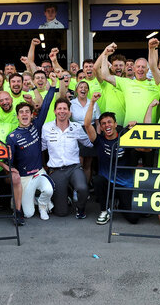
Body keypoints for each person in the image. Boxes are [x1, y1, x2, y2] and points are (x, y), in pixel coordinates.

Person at [83, 93, 138, 225]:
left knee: (134, 219)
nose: (107, 125)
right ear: (101, 127)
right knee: (98, 180)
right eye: (103, 124)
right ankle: (104, 210)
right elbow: (87, 125)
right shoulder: (99, 140)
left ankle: (119, 201)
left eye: (109, 122)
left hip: (125, 184)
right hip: (107, 183)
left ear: (115, 124)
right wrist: (92, 103)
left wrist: (136, 129)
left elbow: (145, 149)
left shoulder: (126, 137)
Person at [6, 85, 57, 222]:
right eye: (21, 112)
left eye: (27, 112)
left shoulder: (37, 125)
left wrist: (52, 87)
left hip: (39, 172)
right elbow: (10, 161)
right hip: (24, 178)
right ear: (17, 116)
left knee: (49, 190)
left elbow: (46, 106)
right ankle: (26, 198)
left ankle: (42, 206)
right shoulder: (11, 137)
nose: (24, 114)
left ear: (31, 114)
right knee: (28, 214)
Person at [42, 97, 91, 218]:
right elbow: (41, 147)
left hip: (74, 168)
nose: (62, 111)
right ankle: (66, 196)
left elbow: (89, 142)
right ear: (55, 111)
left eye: (65, 108)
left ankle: (81, 209)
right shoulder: (46, 128)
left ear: (69, 112)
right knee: (61, 213)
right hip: (56, 170)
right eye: (59, 108)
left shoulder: (76, 127)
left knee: (82, 188)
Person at [68, 80, 100, 186]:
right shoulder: (71, 104)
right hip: (76, 132)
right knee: (79, 162)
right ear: (77, 90)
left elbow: (97, 122)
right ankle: (77, 188)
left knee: (88, 163)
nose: (83, 89)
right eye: (81, 87)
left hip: (91, 131)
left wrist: (98, 138)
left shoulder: (93, 103)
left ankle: (85, 188)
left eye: (85, 87)